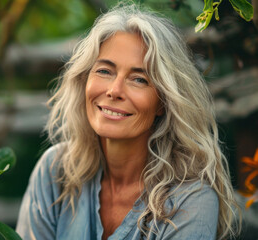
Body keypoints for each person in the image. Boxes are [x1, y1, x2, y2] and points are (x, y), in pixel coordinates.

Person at [16, 4, 239, 240]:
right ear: (84, 80)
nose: (114, 90)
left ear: (164, 102)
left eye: (139, 79)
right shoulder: (55, 171)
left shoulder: (191, 199)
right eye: (104, 71)